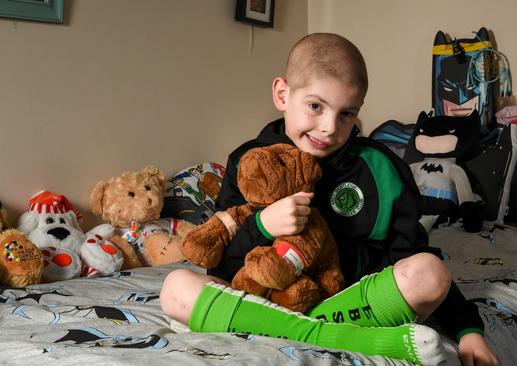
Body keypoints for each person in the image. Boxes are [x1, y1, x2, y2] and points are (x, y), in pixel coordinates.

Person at [160, 33, 498, 366]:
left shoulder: (382, 169)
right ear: (282, 94)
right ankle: (341, 337)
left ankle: (298, 328)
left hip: (351, 302)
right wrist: (262, 225)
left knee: (431, 274)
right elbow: (220, 266)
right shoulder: (251, 161)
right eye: (315, 106)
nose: (329, 127)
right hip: (264, 297)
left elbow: (409, 253)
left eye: (347, 114)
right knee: (175, 288)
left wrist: (469, 330)